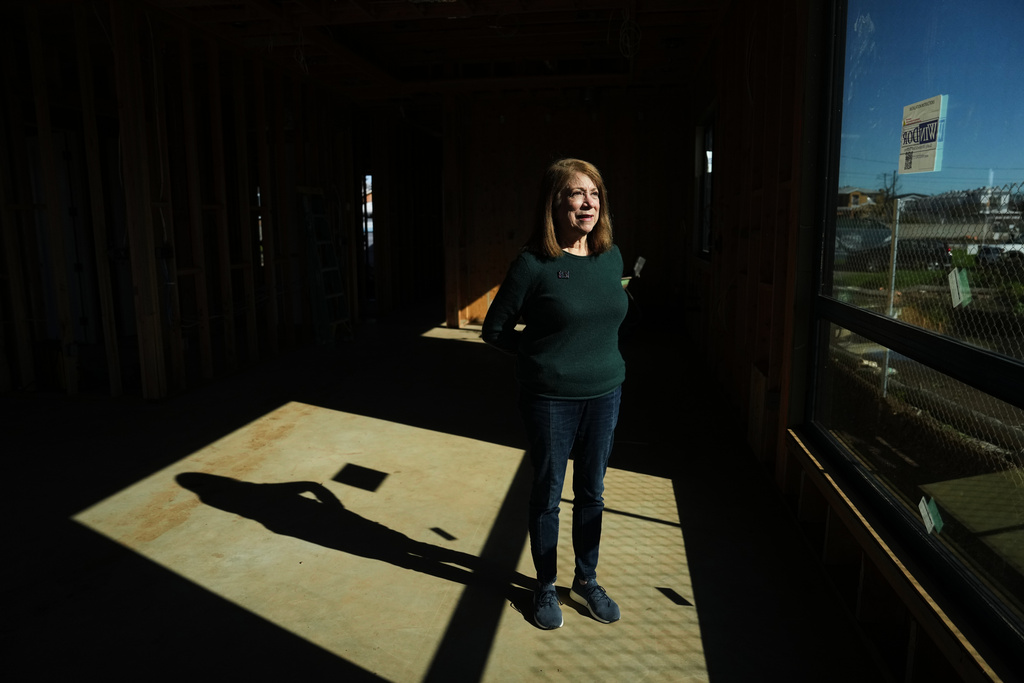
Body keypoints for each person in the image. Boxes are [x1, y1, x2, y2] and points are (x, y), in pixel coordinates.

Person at [482, 158, 628, 629]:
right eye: (575, 194)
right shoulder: (533, 263)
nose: (588, 203)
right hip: (550, 399)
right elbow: (495, 329)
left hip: (606, 392)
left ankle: (586, 578)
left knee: (593, 492)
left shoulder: (612, 257)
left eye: (594, 194)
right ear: (555, 202)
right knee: (547, 493)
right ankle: (545, 584)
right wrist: (541, 354)